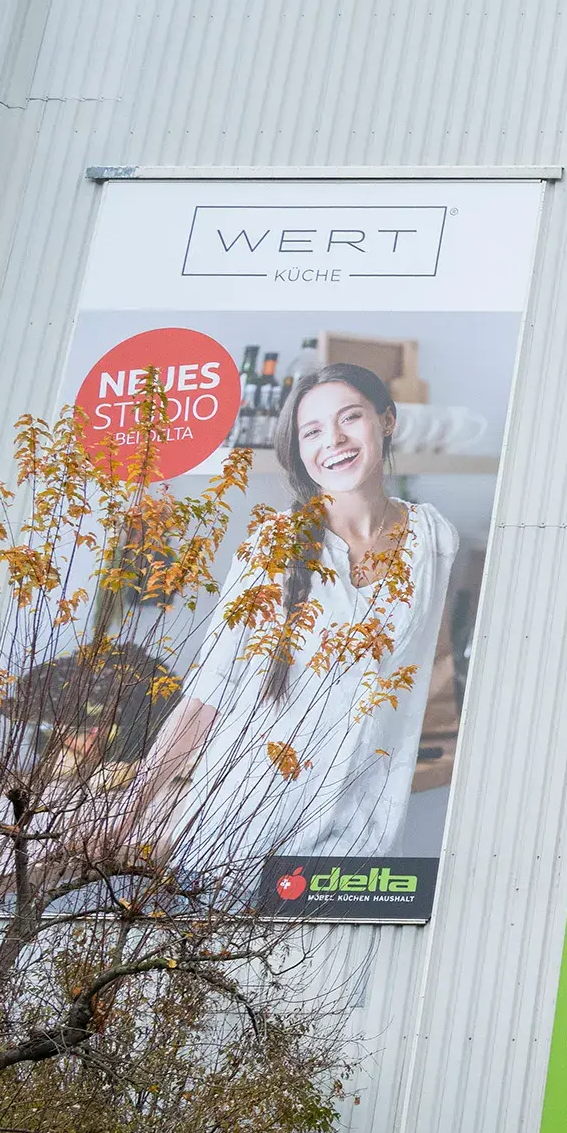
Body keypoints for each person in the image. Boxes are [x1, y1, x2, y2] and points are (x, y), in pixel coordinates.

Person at [132, 362, 458, 867]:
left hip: (360, 832)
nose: (334, 440)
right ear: (301, 451)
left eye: (350, 417)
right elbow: (209, 689)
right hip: (240, 826)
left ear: (387, 420)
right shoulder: (273, 544)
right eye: (312, 431)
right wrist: (134, 806)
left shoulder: (434, 538)